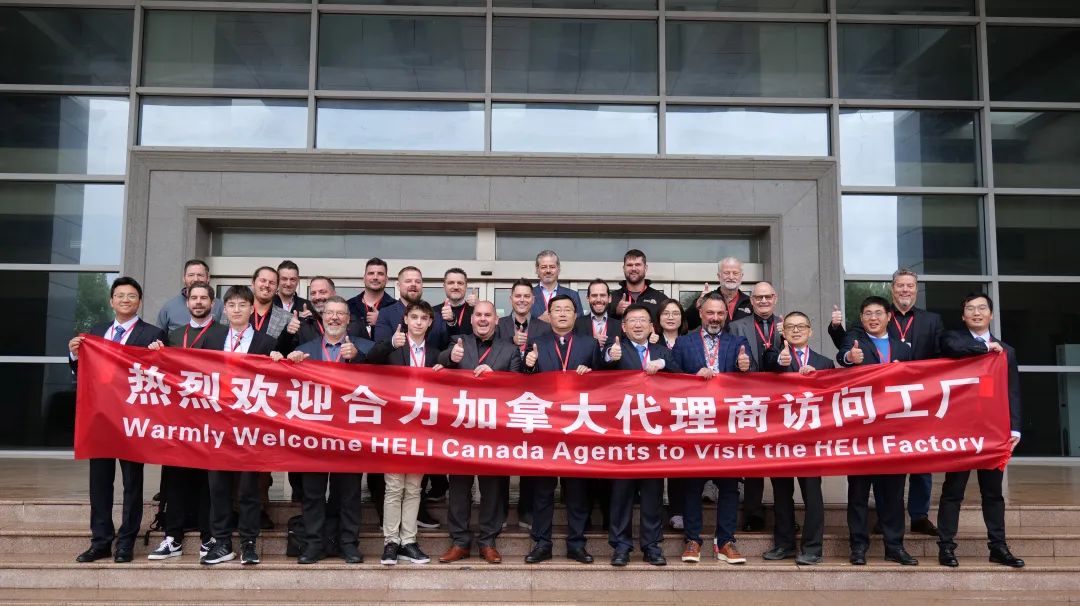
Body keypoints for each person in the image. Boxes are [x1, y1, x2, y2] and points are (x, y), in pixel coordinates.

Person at [69, 277, 167, 564]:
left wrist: (159, 356)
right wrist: (74, 354)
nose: (125, 300)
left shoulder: (153, 333)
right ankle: (100, 541)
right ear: (111, 301)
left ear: (139, 301)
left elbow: (161, 376)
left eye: (131, 295)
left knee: (132, 484)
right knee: (99, 483)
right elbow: (82, 371)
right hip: (100, 418)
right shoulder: (97, 332)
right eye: (120, 295)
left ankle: (125, 543)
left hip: (131, 420)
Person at [936, 293, 1024, 568]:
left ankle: (998, 547)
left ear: (991, 314)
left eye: (982, 308)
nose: (976, 313)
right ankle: (946, 547)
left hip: (993, 432)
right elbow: (953, 348)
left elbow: (1012, 391)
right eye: (970, 309)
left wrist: (1015, 428)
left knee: (993, 493)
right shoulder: (954, 339)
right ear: (963, 316)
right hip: (960, 430)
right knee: (953, 490)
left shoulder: (1006, 351)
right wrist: (985, 348)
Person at [199, 285, 283, 566]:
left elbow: (277, 382)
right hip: (217, 424)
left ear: (251, 309)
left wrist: (279, 362)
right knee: (218, 486)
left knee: (249, 488)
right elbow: (195, 371)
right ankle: (222, 541)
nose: (237, 310)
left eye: (242, 305)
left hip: (251, 426)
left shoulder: (267, 342)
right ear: (225, 309)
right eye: (231, 305)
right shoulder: (212, 338)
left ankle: (248, 542)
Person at [522, 295, 608, 565]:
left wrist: (591, 372)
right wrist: (529, 365)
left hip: (577, 427)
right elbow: (524, 383)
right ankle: (541, 543)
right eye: (556, 310)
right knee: (542, 491)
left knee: (577, 490)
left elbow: (604, 383)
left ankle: (577, 544)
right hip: (546, 427)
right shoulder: (537, 342)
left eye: (567, 310)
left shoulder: (589, 343)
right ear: (548, 315)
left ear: (575, 315)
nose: (561, 314)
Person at [436, 301, 522, 565]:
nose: (483, 319)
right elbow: (440, 361)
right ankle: (459, 542)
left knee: (492, 488)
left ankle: (488, 541)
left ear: (497, 320)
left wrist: (496, 376)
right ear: (472, 319)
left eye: (488, 315)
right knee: (459, 488)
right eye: (479, 315)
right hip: (461, 430)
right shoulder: (458, 342)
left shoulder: (510, 350)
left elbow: (519, 386)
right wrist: (450, 359)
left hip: (494, 431)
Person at [145, 282, 224, 560]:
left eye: (204, 298)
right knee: (175, 478)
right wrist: (156, 353)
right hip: (178, 420)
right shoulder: (173, 335)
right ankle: (172, 537)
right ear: (187, 302)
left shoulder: (224, 334)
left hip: (212, 419)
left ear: (212, 303)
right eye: (194, 298)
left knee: (208, 481)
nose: (198, 302)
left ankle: (208, 536)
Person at [837, 296, 917, 566]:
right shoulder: (855, 342)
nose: (873, 318)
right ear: (861, 318)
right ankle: (858, 546)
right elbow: (843, 356)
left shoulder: (903, 348)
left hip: (894, 431)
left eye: (878, 313)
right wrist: (850, 357)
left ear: (888, 317)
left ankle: (895, 546)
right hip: (862, 431)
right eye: (868, 314)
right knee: (858, 493)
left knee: (893, 493)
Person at [287, 296, 365, 565]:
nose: (334, 317)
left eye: (340, 313)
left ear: (348, 319)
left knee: (349, 494)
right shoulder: (305, 349)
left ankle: (348, 544)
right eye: (330, 313)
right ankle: (313, 544)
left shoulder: (363, 348)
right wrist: (290, 362)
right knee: (313, 494)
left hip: (350, 435)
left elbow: (383, 379)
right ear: (322, 317)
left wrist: (359, 358)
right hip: (314, 435)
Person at [366, 301, 441, 566]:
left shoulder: (435, 354)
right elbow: (368, 362)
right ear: (406, 320)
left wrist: (443, 372)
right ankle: (391, 542)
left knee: (414, 488)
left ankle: (408, 541)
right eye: (414, 317)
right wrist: (389, 343)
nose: (419, 322)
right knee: (394, 487)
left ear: (430, 322)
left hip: (421, 430)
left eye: (424, 318)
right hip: (394, 427)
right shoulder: (393, 347)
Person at [606, 304, 681, 567]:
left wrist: (663, 364)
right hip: (622, 434)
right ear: (624, 327)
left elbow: (681, 373)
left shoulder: (662, 352)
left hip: (654, 435)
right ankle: (621, 546)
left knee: (652, 493)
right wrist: (609, 356)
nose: (638, 325)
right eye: (632, 320)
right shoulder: (616, 348)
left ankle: (651, 545)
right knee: (621, 493)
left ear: (651, 326)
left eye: (643, 320)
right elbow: (598, 366)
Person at [760, 311, 833, 566]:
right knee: (782, 493)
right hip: (780, 437)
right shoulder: (773, 356)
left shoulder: (824, 363)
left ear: (810, 331)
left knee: (812, 494)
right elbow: (770, 362)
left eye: (801, 326)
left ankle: (813, 548)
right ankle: (784, 544)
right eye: (790, 326)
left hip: (811, 439)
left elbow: (831, 400)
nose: (796, 330)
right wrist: (781, 361)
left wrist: (817, 380)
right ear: (783, 332)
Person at [156, 259, 224, 331]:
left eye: (200, 275)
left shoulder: (220, 306)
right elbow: (159, 336)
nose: (196, 279)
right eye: (191, 275)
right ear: (184, 278)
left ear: (208, 278)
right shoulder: (169, 308)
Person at [688, 257, 752, 330]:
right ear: (719, 276)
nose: (731, 277)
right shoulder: (707, 298)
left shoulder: (750, 302)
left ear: (741, 276)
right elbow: (688, 325)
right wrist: (697, 307)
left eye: (735, 273)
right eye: (726, 273)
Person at [495, 278, 552, 354]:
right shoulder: (498, 325)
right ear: (511, 299)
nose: (522, 300)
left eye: (527, 296)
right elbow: (492, 350)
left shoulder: (545, 328)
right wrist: (512, 340)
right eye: (518, 296)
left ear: (533, 300)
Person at [347, 258, 396, 340]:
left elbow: (403, 338)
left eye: (380, 274)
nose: (375, 277)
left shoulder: (396, 307)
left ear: (387, 279)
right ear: (364, 278)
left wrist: (381, 321)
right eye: (371, 273)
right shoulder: (349, 306)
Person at [608, 249, 665, 319]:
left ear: (645, 268)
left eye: (638, 265)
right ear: (624, 268)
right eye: (629, 265)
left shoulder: (660, 299)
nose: (633, 269)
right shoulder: (611, 298)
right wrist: (615, 312)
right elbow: (600, 321)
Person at [532, 250, 583, 320]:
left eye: (552, 267)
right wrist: (539, 321)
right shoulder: (527, 295)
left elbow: (580, 323)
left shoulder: (572, 295)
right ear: (537, 270)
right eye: (544, 267)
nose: (548, 271)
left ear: (558, 269)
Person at [574, 278, 622, 347]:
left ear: (609, 298)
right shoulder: (576, 324)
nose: (598, 300)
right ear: (588, 299)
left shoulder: (620, 326)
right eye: (594, 295)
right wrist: (592, 342)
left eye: (602, 295)